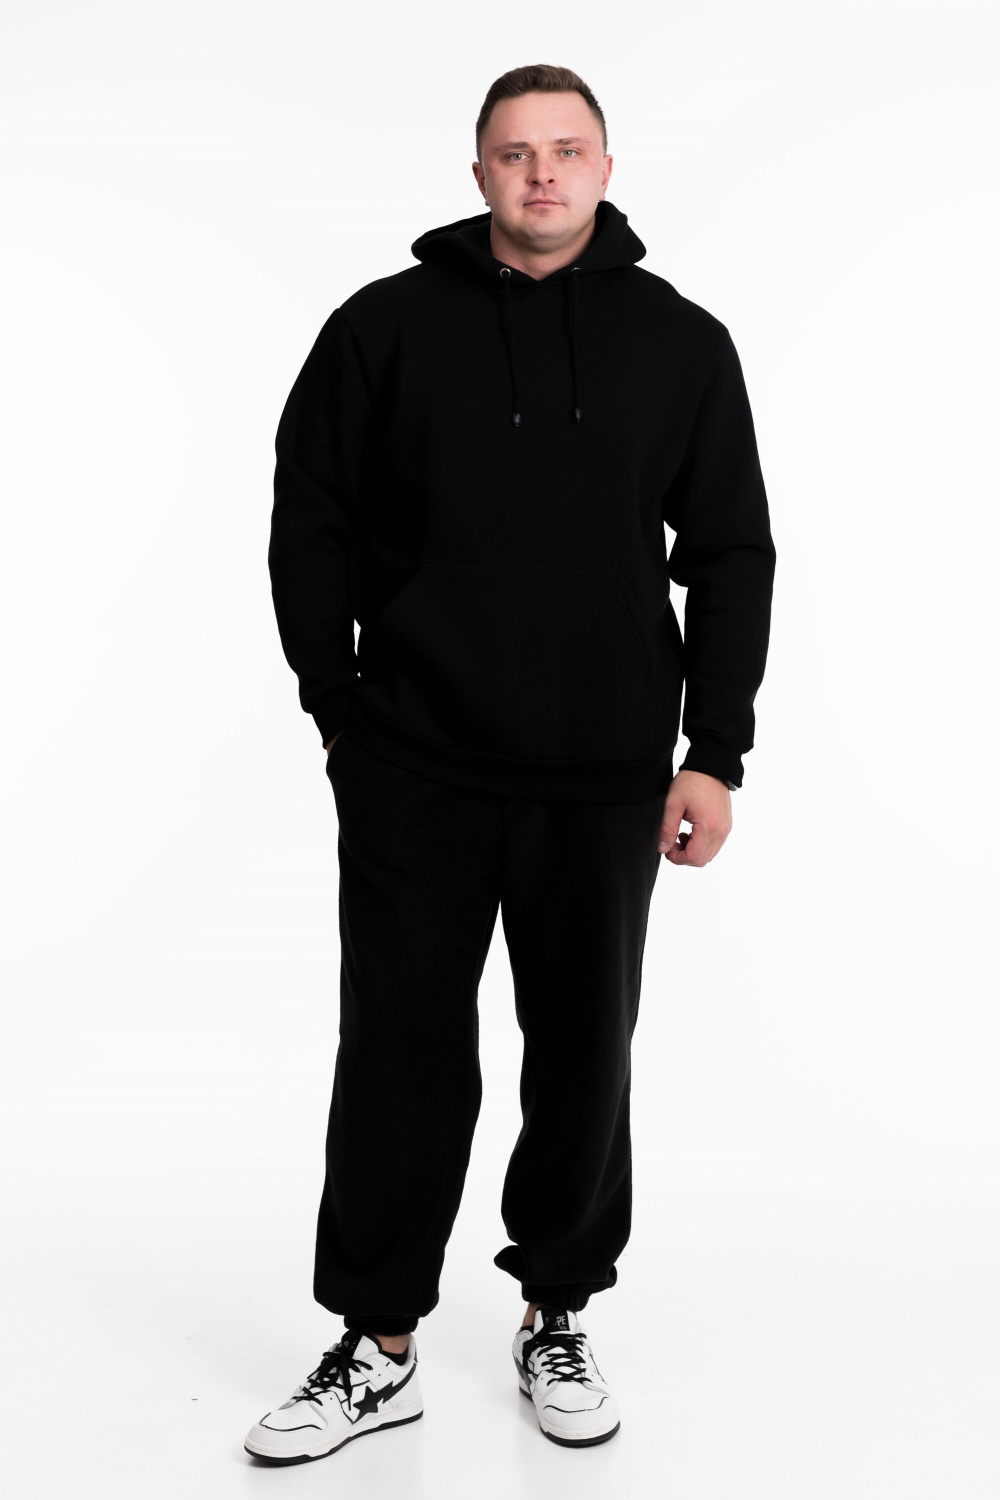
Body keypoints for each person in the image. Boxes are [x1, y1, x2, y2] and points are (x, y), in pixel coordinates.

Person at [245, 62, 776, 1465]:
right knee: (399, 1055)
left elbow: (731, 552)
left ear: (605, 167)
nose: (543, 173)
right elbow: (309, 520)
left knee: (585, 1053)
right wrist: (337, 709)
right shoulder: (381, 328)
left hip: (605, 769)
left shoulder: (683, 343)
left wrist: (713, 753)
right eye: (516, 151)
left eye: (567, 149)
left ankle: (558, 1311)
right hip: (415, 758)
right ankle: (378, 1343)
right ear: (477, 170)